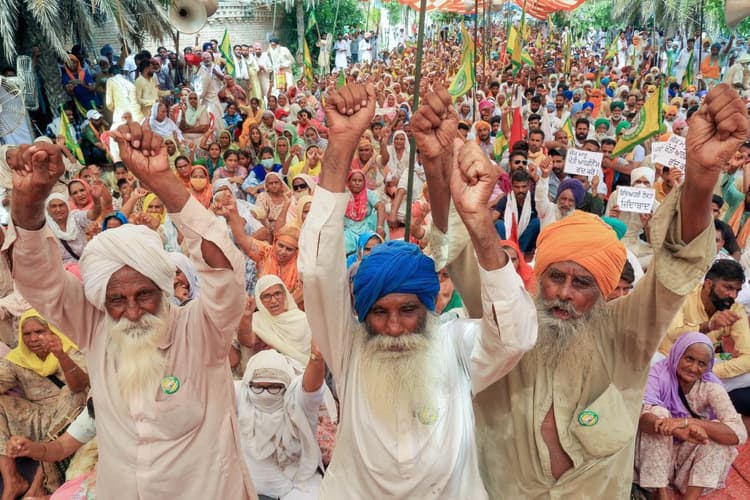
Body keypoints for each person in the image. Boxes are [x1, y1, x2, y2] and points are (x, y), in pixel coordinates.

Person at [417, 83, 735, 497]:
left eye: (582, 282)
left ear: (604, 290)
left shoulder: (628, 333)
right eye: (555, 277)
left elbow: (676, 265)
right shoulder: (508, 323)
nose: (564, 293)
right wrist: (436, 166)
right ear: (539, 277)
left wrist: (701, 178)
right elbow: (458, 249)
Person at [299, 82, 536, 498]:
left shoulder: (455, 346)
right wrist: (340, 146)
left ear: (428, 308)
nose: (393, 327)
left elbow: (514, 336)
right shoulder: (350, 349)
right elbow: (319, 272)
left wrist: (479, 221)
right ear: (363, 314)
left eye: (407, 310)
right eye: (379, 312)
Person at [3, 124, 257, 498]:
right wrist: (30, 200)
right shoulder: (96, 327)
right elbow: (39, 280)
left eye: (145, 295)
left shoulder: (201, 331)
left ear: (164, 288)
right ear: (102, 301)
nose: (134, 312)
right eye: (118, 300)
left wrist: (163, 181)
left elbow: (225, 274)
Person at [634, 333, 746, 499]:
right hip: (652, 463)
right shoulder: (657, 374)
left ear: (708, 366)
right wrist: (672, 428)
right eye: (689, 359)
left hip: (686, 468)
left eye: (701, 364)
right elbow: (642, 419)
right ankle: (661, 494)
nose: (694, 368)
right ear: (677, 354)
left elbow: (739, 433)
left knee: (717, 434)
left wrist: (689, 423)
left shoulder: (710, 386)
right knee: (658, 414)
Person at [0, 309, 88, 499]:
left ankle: (39, 485)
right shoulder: (17, 358)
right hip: (37, 416)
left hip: (70, 418)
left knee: (73, 393)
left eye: (40, 331)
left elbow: (81, 386)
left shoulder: (70, 350)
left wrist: (60, 355)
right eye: (27, 334)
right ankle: (12, 480)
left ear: (53, 331)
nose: (33, 338)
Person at [662, 260, 750, 413]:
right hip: (669, 361)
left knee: (746, 372)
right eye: (728, 288)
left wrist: (707, 371)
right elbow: (672, 334)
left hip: (706, 367)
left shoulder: (735, 309)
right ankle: (697, 396)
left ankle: (696, 394)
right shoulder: (684, 295)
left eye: (737, 290)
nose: (733, 295)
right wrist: (709, 326)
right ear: (709, 284)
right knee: (652, 364)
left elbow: (748, 355)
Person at [236, 348, 324, 500]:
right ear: (249, 383)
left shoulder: (297, 401)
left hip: (295, 488)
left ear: (286, 386)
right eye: (258, 387)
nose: (265, 394)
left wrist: (317, 357)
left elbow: (311, 387)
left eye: (273, 387)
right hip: (248, 488)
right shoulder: (241, 394)